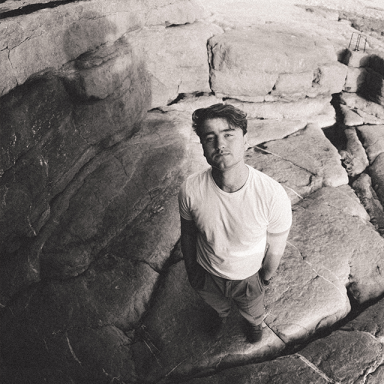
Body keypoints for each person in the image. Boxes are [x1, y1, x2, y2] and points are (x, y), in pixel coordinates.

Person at [178, 103, 292, 343]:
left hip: (249, 277)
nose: (220, 144)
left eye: (229, 135)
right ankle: (220, 315)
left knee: (253, 311)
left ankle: (254, 324)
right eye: (210, 138)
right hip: (207, 272)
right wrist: (192, 271)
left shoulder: (272, 195)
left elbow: (276, 247)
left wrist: (265, 279)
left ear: (245, 140)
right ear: (203, 148)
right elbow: (187, 233)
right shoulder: (190, 189)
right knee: (216, 305)